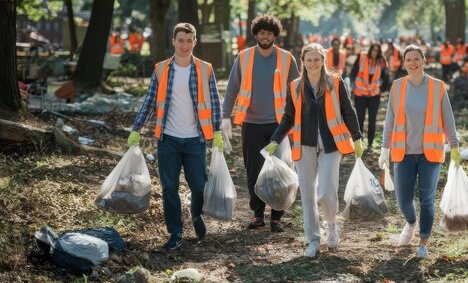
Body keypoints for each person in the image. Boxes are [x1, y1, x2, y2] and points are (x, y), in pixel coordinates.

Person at [127, 23, 223, 250]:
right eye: (181, 40)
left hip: (195, 139)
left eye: (189, 40)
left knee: (199, 185)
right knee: (169, 188)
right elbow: (149, 101)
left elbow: (215, 102)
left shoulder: (204, 69)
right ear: (173, 41)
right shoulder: (161, 69)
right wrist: (136, 128)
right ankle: (175, 233)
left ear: (195, 42)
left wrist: (217, 130)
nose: (185, 45)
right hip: (167, 139)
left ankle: (196, 212)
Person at [263, 43, 363, 258]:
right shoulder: (295, 86)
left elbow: (348, 111)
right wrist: (275, 140)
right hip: (304, 145)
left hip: (331, 145)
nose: (313, 63)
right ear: (303, 62)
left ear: (323, 61)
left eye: (317, 59)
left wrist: (358, 138)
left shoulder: (335, 83)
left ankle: (332, 225)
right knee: (308, 196)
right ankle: (313, 240)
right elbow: (288, 117)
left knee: (326, 192)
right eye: (309, 59)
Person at [378, 44, 461, 259]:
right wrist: (384, 149)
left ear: (424, 61)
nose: (412, 63)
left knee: (426, 200)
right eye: (408, 60)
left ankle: (423, 242)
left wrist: (455, 146)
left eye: (416, 59)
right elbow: (389, 121)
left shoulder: (437, 87)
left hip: (430, 154)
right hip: (402, 152)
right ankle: (411, 222)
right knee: (403, 200)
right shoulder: (397, 87)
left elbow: (447, 119)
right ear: (403, 63)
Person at [221, 14, 300, 233]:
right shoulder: (244, 57)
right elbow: (232, 88)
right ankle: (258, 214)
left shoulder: (287, 58)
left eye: (269, 33)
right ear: (256, 34)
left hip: (279, 124)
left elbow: (297, 91)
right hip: (251, 122)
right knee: (254, 171)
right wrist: (225, 115)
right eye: (261, 33)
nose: (265, 37)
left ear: (275, 35)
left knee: (280, 171)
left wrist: (299, 118)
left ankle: (276, 217)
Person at [350, 42, 390, 150]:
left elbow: (386, 78)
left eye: (377, 51)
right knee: (360, 119)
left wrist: (380, 89)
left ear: (379, 52)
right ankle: (360, 143)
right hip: (360, 94)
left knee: (372, 120)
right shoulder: (362, 57)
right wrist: (353, 88)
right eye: (373, 50)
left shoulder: (381, 62)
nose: (374, 52)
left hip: (374, 95)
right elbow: (353, 73)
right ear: (370, 49)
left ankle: (370, 145)